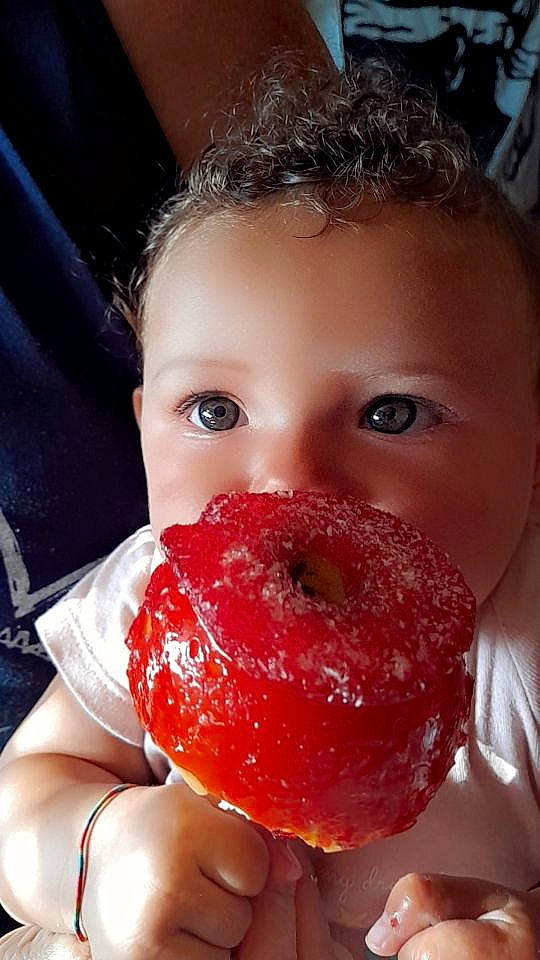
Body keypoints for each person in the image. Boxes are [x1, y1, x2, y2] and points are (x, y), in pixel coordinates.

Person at [1, 55, 539, 960]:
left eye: (390, 413)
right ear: (145, 429)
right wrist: (99, 856)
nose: (287, 484)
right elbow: (30, 787)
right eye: (215, 412)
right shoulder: (150, 604)